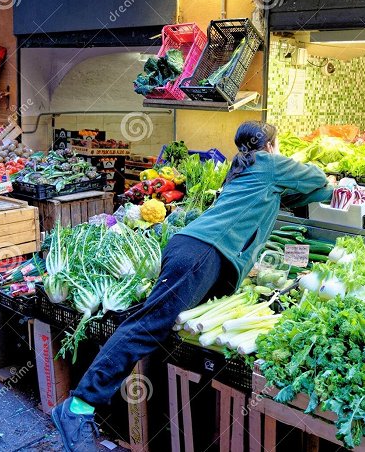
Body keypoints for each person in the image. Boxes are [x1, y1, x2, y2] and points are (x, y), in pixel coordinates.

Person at [51, 122, 334, 451]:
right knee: (145, 326)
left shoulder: (242, 168)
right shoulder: (269, 163)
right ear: (270, 145)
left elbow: (304, 195)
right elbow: (317, 181)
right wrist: (330, 180)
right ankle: (78, 408)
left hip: (200, 254)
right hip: (200, 253)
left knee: (154, 324)